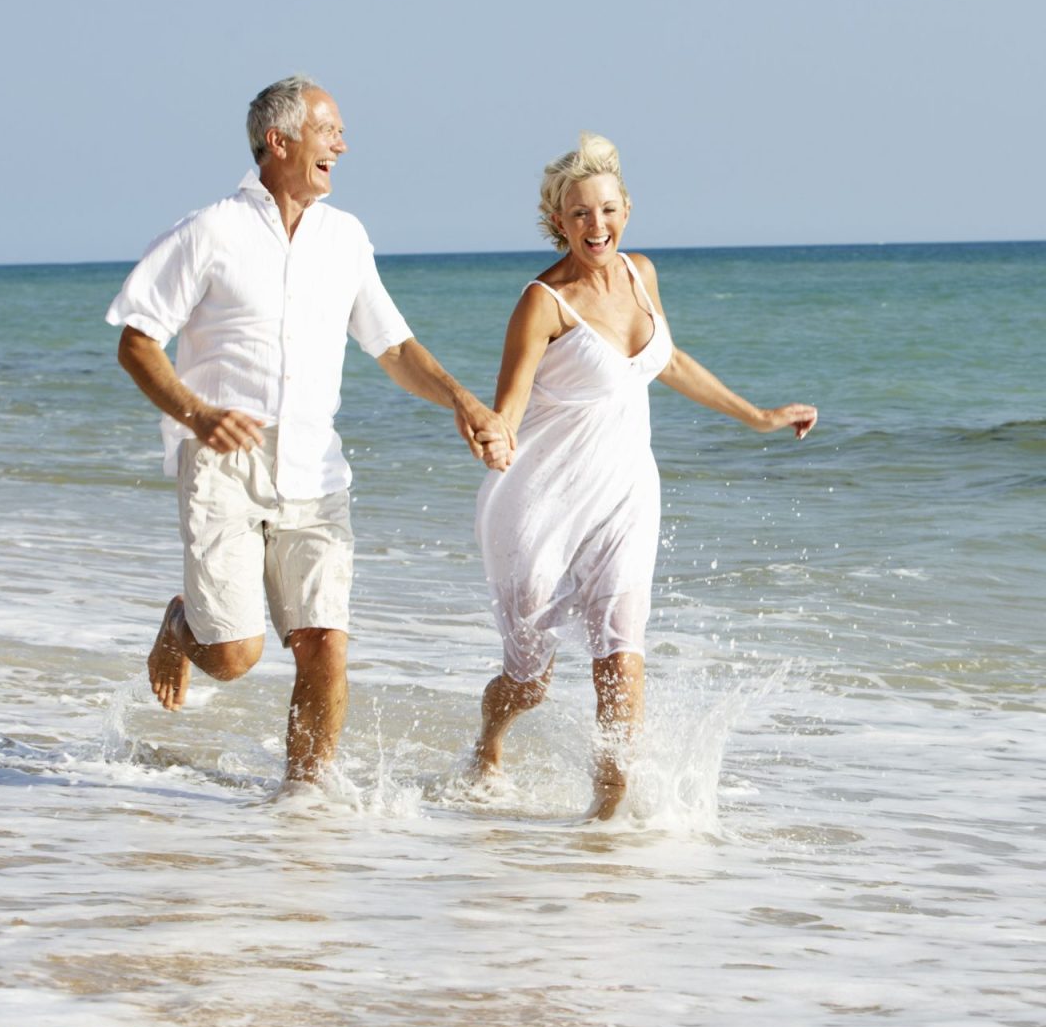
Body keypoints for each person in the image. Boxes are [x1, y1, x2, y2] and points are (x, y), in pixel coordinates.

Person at [107, 74, 510, 785]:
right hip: (223, 461)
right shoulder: (210, 232)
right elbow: (136, 340)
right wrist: (198, 413)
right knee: (235, 656)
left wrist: (462, 400)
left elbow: (392, 347)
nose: (342, 146)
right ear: (279, 140)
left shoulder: (345, 237)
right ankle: (183, 626)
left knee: (325, 646)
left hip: (317, 473)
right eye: (330, 132)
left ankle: (305, 802)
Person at [472, 133, 816, 820]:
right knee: (530, 678)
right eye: (578, 214)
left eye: (605, 210)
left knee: (621, 655)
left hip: (626, 493)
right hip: (540, 498)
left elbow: (669, 361)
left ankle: (608, 813)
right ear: (558, 223)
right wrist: (493, 435)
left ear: (625, 210)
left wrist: (756, 416)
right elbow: (508, 404)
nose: (594, 226)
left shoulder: (641, 274)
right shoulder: (542, 302)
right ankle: (487, 743)